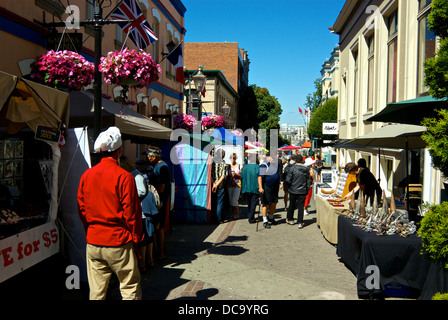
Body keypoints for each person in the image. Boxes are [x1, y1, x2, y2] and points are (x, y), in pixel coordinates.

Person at [77, 126, 143, 300]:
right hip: (118, 240)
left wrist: (90, 230)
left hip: (94, 240)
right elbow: (132, 213)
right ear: (119, 150)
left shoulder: (87, 175)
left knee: (97, 292)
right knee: (129, 288)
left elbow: (82, 209)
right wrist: (135, 239)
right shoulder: (124, 177)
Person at [146, 146, 170, 260]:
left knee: (158, 227)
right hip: (158, 202)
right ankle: (157, 251)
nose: (147, 157)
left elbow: (161, 188)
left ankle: (160, 252)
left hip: (159, 203)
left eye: (149, 156)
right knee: (157, 227)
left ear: (154, 156)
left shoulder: (162, 167)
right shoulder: (158, 166)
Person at [285, 154, 311, 229]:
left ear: (295, 160)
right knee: (301, 206)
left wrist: (289, 186)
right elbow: (308, 181)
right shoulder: (306, 169)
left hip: (293, 189)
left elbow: (288, 179)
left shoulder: (292, 168)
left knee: (292, 205)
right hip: (302, 190)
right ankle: (300, 221)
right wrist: (307, 189)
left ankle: (290, 219)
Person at [257, 153, 281, 228]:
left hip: (275, 187)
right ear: (268, 157)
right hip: (267, 186)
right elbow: (260, 177)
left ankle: (271, 217)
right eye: (273, 158)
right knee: (265, 203)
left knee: (274, 202)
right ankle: (265, 220)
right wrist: (260, 187)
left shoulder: (274, 165)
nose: (274, 159)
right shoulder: (264, 165)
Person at [241, 153, 260, 223]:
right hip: (254, 187)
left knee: (249, 202)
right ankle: (251, 217)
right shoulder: (257, 167)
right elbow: (260, 177)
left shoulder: (245, 167)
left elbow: (241, 176)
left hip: (246, 188)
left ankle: (250, 214)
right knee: (253, 203)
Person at [211, 148, 228, 223]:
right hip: (220, 186)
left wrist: (214, 184)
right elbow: (223, 176)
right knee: (219, 202)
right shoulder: (224, 164)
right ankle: (218, 219)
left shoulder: (212, 163)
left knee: (213, 202)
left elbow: (210, 174)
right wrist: (217, 185)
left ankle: (213, 218)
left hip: (213, 185)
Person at [228, 153, 242, 220]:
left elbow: (241, 175)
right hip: (230, 185)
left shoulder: (238, 166)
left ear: (235, 158)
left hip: (237, 185)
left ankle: (237, 214)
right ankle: (233, 213)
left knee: (234, 200)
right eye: (231, 158)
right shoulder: (228, 166)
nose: (232, 159)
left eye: (233, 158)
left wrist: (236, 174)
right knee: (231, 201)